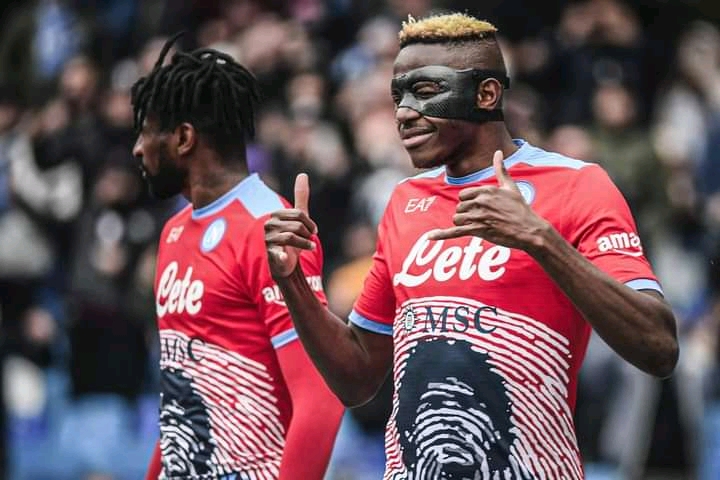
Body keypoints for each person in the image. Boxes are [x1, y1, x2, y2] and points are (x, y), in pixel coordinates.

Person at [263, 13, 679, 479]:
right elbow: (357, 380)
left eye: (425, 91)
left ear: (486, 94)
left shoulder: (577, 185)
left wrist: (540, 239)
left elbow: (659, 348)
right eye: (398, 96)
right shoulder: (405, 201)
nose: (403, 113)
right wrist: (293, 283)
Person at [130, 33, 343, 480]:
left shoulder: (270, 229)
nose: (138, 148)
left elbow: (320, 399)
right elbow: (179, 402)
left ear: (183, 138)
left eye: (146, 131)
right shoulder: (172, 233)